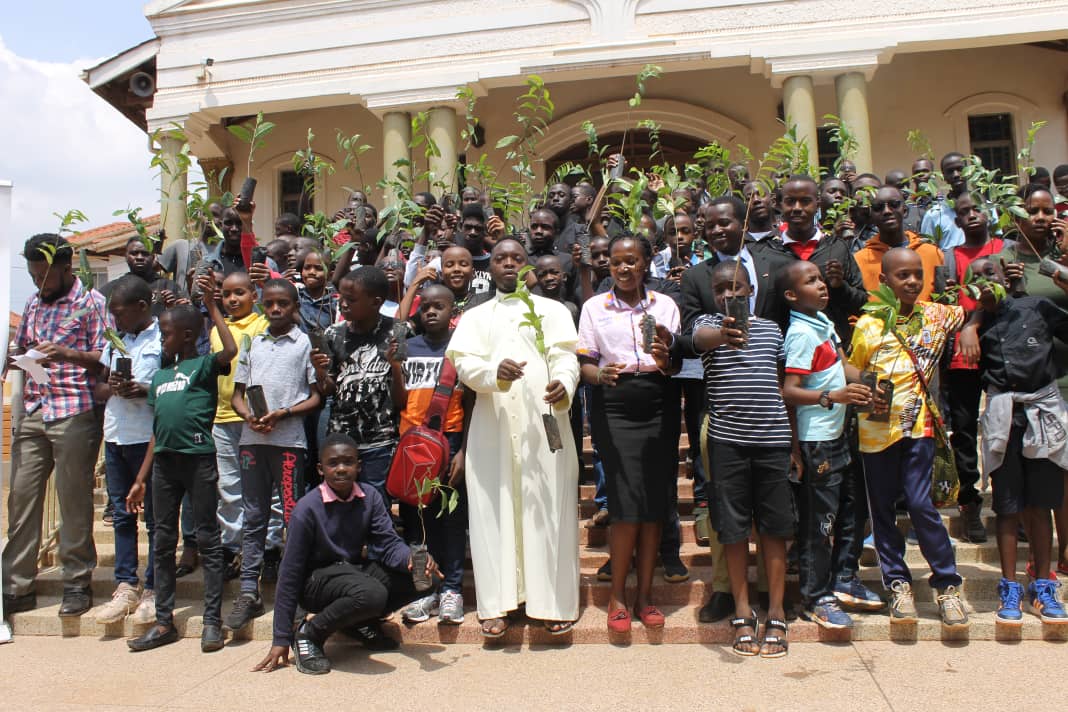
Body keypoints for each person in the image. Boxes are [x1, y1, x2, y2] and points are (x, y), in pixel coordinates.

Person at [446, 238, 580, 637]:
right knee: (493, 510)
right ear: (491, 266)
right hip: (494, 425)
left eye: (516, 258)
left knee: (549, 506)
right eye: (501, 258)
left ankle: (552, 603)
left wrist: (563, 383)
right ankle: (496, 604)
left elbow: (566, 356)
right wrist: (493, 374)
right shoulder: (475, 316)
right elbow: (464, 364)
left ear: (528, 266)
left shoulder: (552, 311)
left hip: (544, 422)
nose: (508, 264)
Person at [848, 247, 968, 628]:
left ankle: (947, 583)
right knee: (882, 508)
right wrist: (866, 384)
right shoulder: (869, 323)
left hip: (919, 428)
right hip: (876, 430)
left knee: (920, 503)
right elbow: (851, 366)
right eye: (903, 275)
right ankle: (898, 583)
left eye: (918, 273)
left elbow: (974, 304)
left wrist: (972, 326)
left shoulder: (936, 315)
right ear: (884, 280)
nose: (913, 281)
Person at [252, 434, 436, 675]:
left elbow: (389, 544)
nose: (341, 469)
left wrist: (410, 558)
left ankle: (357, 623)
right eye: (333, 463)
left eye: (348, 462)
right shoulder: (306, 509)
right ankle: (310, 633)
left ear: (358, 466)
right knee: (372, 594)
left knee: (427, 577)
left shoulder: (369, 497)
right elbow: (289, 574)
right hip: (316, 583)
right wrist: (281, 637)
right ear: (320, 469)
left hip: (351, 572)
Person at [126, 276, 238, 652]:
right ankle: (164, 622)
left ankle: (212, 621)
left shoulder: (203, 367)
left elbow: (230, 350)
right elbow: (157, 432)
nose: (162, 340)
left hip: (198, 461)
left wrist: (212, 306)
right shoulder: (160, 377)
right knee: (162, 542)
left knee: (207, 539)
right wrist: (141, 478)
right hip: (163, 466)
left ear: (188, 335)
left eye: (166, 334)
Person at [692, 260, 794, 658]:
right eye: (720, 288)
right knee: (733, 531)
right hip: (727, 444)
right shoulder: (708, 326)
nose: (728, 294)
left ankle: (777, 611)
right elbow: (700, 340)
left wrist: (794, 444)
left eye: (736, 287)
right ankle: (741, 609)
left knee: (774, 528)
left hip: (773, 440)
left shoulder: (772, 329)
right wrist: (724, 333)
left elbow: (783, 384)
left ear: (751, 290)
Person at [577, 234, 680, 632]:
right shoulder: (594, 307)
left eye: (631, 260)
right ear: (608, 265)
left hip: (658, 401)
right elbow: (585, 363)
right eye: (616, 261)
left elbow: (674, 364)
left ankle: (645, 596)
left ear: (645, 263)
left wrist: (665, 357)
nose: (623, 268)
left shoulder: (665, 305)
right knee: (624, 501)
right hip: (614, 402)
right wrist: (599, 375)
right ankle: (617, 596)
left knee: (653, 502)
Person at [3, 233, 107, 618]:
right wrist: (22, 359)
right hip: (35, 407)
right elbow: (20, 347)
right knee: (21, 498)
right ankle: (16, 586)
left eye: (44, 276)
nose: (38, 283)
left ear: (66, 268)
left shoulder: (91, 303)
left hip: (74, 409)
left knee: (73, 499)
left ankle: (76, 581)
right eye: (33, 275)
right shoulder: (32, 303)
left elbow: (105, 356)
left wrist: (64, 353)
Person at [961, 259, 1068, 624]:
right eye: (976, 277)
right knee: (1007, 507)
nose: (985, 281)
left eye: (991, 273)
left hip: (1042, 411)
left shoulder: (1037, 306)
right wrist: (971, 324)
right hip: (1004, 416)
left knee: (1041, 505)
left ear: (1007, 277)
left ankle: (1043, 585)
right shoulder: (972, 323)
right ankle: (1008, 586)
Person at [780, 262, 883, 629]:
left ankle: (843, 578)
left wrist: (873, 381)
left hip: (839, 433)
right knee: (819, 522)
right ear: (792, 295)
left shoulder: (823, 323)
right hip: (817, 440)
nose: (822, 285)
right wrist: (832, 396)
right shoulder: (800, 334)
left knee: (851, 510)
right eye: (811, 282)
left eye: (821, 279)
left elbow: (843, 368)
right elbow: (789, 391)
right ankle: (815, 596)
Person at [225, 279, 320, 632]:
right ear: (261, 305)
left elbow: (316, 397)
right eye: (269, 304)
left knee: (291, 518)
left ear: (295, 306)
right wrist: (248, 416)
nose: (276, 309)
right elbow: (237, 395)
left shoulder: (304, 343)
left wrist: (284, 413)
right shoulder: (253, 343)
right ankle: (248, 592)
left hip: (289, 444)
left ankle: (291, 592)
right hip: (253, 443)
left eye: (283, 303)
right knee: (254, 517)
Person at [395, 285, 471, 625]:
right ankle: (427, 589)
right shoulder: (409, 348)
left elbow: (470, 402)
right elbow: (397, 401)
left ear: (452, 311)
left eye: (439, 306)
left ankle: (452, 589)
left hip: (449, 440)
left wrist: (463, 450)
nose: (430, 312)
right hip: (412, 443)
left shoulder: (460, 349)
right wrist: (394, 367)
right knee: (418, 520)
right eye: (425, 306)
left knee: (450, 519)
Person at [93, 275, 162, 626]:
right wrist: (113, 387)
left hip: (146, 438)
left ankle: (153, 587)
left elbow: (174, 387)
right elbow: (99, 388)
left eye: (120, 314)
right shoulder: (115, 341)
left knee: (155, 517)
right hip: (116, 435)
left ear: (142, 307)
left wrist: (144, 390)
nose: (116, 320)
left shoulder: (163, 337)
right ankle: (125, 584)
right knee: (121, 514)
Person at [942, 192, 1004, 543]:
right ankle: (970, 502)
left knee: (1005, 429)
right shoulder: (950, 257)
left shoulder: (1005, 249)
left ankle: (1010, 505)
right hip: (961, 356)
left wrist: (974, 322)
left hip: (1001, 351)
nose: (972, 215)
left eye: (977, 208)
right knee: (964, 431)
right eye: (964, 211)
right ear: (957, 220)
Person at [313, 267, 400, 502]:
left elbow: (402, 397)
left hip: (381, 439)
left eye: (351, 299)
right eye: (341, 297)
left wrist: (395, 366)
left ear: (376, 302)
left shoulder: (398, 332)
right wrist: (320, 372)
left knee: (376, 503)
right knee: (339, 504)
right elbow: (328, 390)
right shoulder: (333, 334)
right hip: (341, 440)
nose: (343, 304)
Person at [756, 175, 868, 344]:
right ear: (779, 204)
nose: (797, 208)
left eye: (805, 201)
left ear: (818, 204)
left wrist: (840, 286)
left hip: (833, 349)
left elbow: (862, 305)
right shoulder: (766, 252)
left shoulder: (836, 248)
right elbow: (762, 310)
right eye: (790, 201)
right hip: (786, 349)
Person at [210, 271, 269, 582]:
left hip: (254, 418)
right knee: (229, 487)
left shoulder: (262, 324)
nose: (232, 299)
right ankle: (231, 547)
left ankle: (268, 548)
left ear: (254, 296)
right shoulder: (216, 330)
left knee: (263, 488)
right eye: (226, 294)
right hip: (222, 419)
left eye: (240, 293)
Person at [853, 185, 945, 302]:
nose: (886, 211)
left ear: (905, 211)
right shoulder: (860, 260)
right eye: (878, 207)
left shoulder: (932, 253)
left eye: (894, 204)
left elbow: (942, 301)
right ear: (872, 215)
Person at [99, 238, 185, 316]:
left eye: (145, 254)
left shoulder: (169, 287)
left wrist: (173, 308)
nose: (139, 257)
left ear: (153, 257)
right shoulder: (112, 289)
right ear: (126, 257)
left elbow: (183, 317)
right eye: (134, 253)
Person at [921, 152, 969, 250]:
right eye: (950, 171)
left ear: (969, 171)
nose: (956, 175)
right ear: (944, 176)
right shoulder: (934, 215)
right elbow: (927, 250)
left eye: (960, 169)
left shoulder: (985, 208)